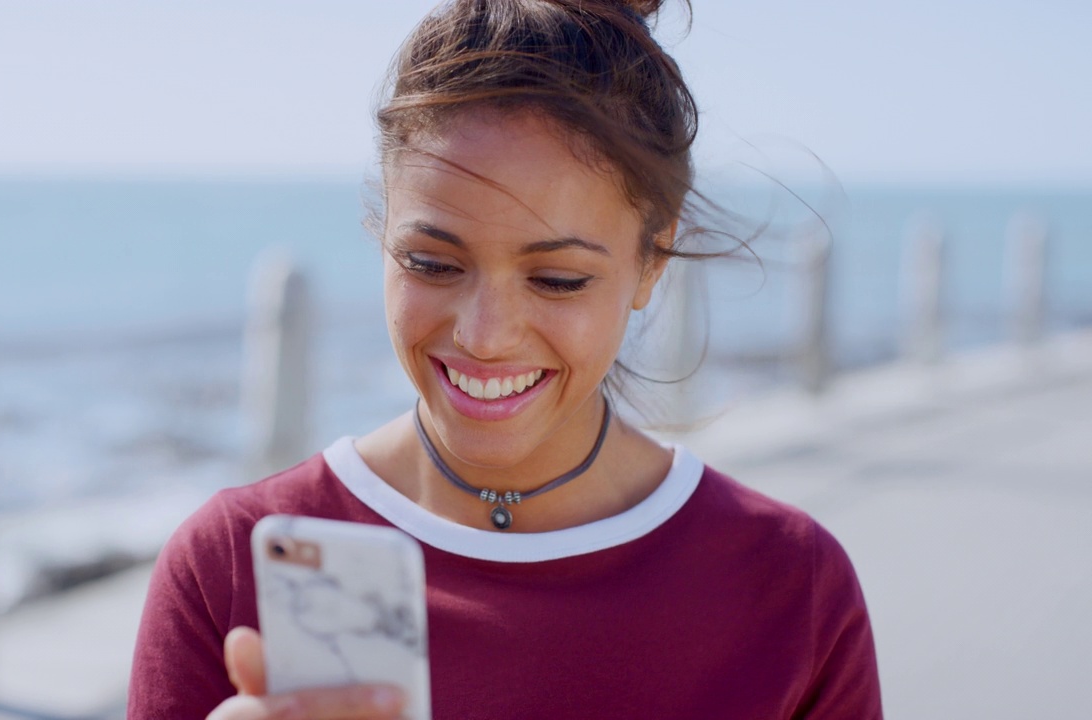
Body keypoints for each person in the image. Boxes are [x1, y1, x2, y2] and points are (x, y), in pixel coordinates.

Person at [129, 0, 882, 718]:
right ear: (381, 230)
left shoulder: (789, 584)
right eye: (431, 265)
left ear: (652, 261)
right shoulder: (230, 569)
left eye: (557, 279)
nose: (485, 336)